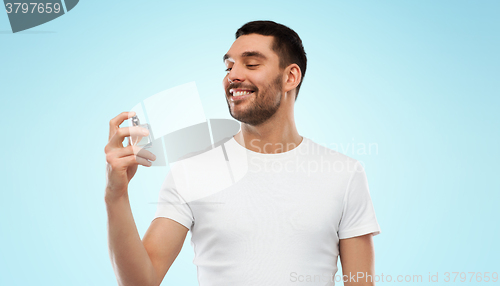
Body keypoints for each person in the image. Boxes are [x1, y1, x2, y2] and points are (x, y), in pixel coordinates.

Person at [105, 20, 381, 286]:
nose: (233, 76)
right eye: (229, 66)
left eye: (251, 64)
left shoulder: (345, 174)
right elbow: (142, 282)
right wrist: (116, 195)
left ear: (290, 76)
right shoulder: (191, 171)